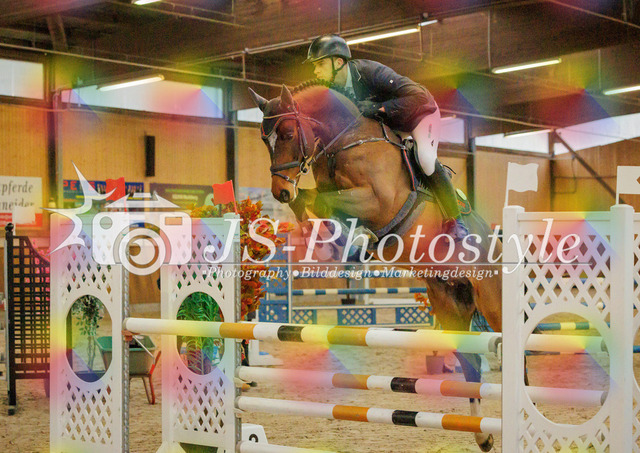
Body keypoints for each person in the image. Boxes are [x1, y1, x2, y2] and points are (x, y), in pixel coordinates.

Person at [304, 34, 468, 240]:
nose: (316, 71)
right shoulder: (332, 90)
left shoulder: (370, 72)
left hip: (418, 114)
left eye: (320, 64)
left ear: (338, 62)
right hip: (390, 123)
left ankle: (456, 221)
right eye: (315, 66)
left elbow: (417, 97)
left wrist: (379, 107)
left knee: (425, 158)